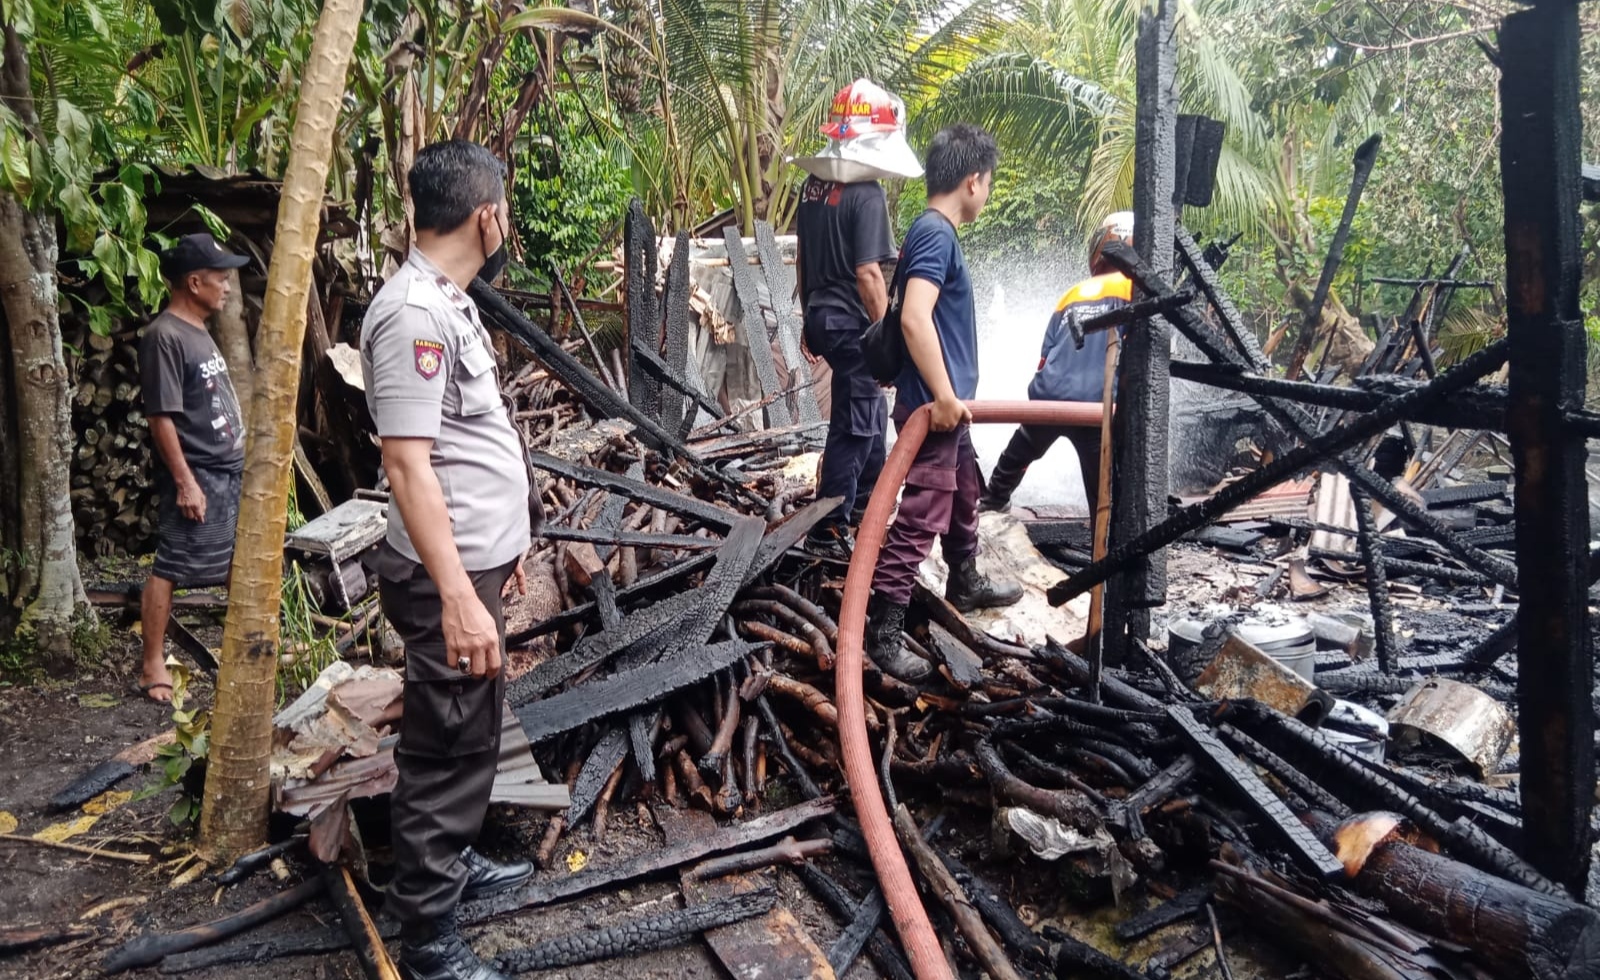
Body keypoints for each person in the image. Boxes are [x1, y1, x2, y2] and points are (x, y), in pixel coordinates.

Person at [360, 139, 544, 980]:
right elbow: (406, 464)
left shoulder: (446, 300)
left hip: (469, 570)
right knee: (446, 745)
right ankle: (429, 943)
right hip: (449, 580)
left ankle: (448, 864)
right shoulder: (414, 315)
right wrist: (458, 598)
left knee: (466, 731)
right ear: (487, 216)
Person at [866, 124, 1021, 682]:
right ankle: (882, 632)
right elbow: (913, 319)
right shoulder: (935, 234)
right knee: (921, 515)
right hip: (934, 409)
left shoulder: (931, 232)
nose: (988, 193)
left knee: (964, 491)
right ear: (974, 181)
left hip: (944, 410)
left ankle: (964, 579)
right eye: (990, 184)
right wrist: (945, 396)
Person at [795, 80, 917, 559]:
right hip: (851, 322)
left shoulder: (813, 187)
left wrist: (807, 316)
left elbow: (804, 256)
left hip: (823, 315)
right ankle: (829, 526)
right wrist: (885, 335)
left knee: (867, 415)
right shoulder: (866, 196)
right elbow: (869, 274)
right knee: (857, 420)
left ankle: (868, 507)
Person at [137, 233, 250, 702]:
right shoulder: (164, 336)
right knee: (171, 566)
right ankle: (151, 665)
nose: (226, 287)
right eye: (220, 279)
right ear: (194, 281)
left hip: (227, 470)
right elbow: (161, 416)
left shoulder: (199, 329)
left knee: (237, 560)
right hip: (199, 472)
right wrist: (185, 482)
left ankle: (246, 648)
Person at [981, 213, 1135, 516]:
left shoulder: (1072, 293)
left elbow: (1045, 353)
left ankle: (993, 500)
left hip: (1049, 398)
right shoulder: (1134, 290)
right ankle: (1102, 551)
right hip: (1095, 407)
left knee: (1019, 452)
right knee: (1102, 494)